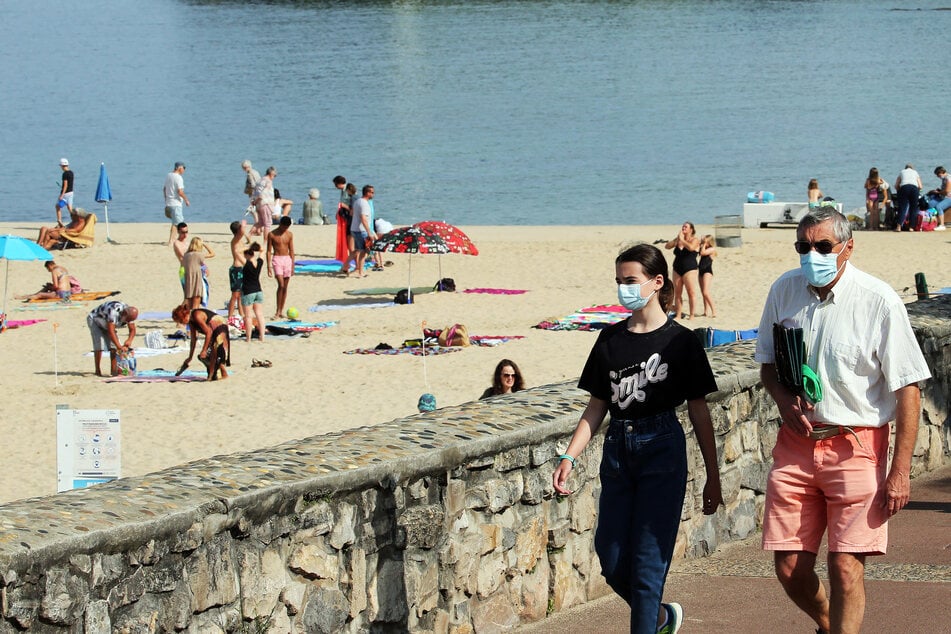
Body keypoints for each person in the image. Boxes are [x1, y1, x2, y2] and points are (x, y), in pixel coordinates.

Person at [754, 208, 931, 634]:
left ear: (848, 247)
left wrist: (899, 472)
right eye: (803, 246)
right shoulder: (784, 290)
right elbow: (766, 364)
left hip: (857, 443)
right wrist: (782, 399)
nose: (811, 254)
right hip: (796, 445)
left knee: (846, 566)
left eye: (821, 246)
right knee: (789, 566)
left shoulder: (878, 300)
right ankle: (831, 625)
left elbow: (908, 387)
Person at [552, 243, 722, 634]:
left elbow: (700, 411)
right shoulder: (610, 340)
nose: (623, 289)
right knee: (611, 558)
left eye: (630, 281)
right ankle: (662, 617)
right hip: (617, 453)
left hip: (662, 449)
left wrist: (712, 476)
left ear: (656, 282)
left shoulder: (682, 342)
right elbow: (597, 407)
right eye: (619, 281)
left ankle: (650, 618)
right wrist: (569, 456)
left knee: (647, 566)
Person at [172, 303, 230, 381]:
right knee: (204, 357)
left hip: (218, 325)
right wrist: (190, 357)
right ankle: (212, 373)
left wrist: (204, 350)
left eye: (181, 321)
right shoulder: (191, 322)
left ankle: (222, 373)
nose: (182, 323)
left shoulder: (196, 315)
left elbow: (208, 332)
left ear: (185, 315)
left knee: (215, 352)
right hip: (212, 329)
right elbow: (193, 340)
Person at [86, 301, 138, 376]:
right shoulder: (113, 311)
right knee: (99, 345)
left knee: (113, 347)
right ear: (125, 314)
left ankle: (113, 370)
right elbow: (111, 331)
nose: (128, 322)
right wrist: (119, 346)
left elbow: (132, 329)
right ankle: (97, 370)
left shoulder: (130, 313)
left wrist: (129, 340)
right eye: (127, 320)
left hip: (106, 322)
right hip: (95, 320)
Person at [664, 221, 700, 320]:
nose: (683, 228)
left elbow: (691, 248)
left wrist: (682, 240)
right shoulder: (678, 240)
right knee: (678, 293)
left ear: (691, 230)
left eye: (686, 227)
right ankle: (678, 314)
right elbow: (667, 246)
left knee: (691, 292)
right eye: (683, 226)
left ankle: (692, 315)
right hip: (677, 268)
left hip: (690, 269)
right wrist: (677, 239)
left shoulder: (695, 240)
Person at [266, 216, 295, 319]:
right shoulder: (272, 234)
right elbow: (269, 250)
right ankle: (277, 311)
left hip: (287, 259)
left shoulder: (289, 234)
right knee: (281, 285)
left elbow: (291, 250)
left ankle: (281, 310)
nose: (285, 229)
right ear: (280, 224)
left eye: (287, 227)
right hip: (277, 259)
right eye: (284, 227)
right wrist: (268, 266)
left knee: (285, 287)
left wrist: (292, 265)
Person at [350, 185, 378, 278]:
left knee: (359, 250)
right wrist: (369, 231)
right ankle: (360, 271)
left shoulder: (358, 201)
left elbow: (353, 213)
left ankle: (357, 269)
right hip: (361, 230)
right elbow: (363, 218)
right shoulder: (364, 204)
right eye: (372, 192)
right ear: (368, 193)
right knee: (364, 251)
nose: (373, 194)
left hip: (354, 229)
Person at [241, 242, 266, 343]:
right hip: (258, 290)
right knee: (259, 314)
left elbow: (237, 251)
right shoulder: (259, 262)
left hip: (248, 291)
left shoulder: (246, 263)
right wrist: (256, 248)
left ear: (247, 254)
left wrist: (248, 247)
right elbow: (263, 251)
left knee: (248, 316)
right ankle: (262, 337)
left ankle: (248, 338)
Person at [182, 236, 215, 309]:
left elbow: (199, 264)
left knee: (188, 299)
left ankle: (186, 315)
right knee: (196, 299)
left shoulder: (186, 255)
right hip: (197, 278)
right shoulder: (199, 254)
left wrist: (204, 267)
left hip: (188, 279)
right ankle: (194, 316)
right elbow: (212, 253)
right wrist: (205, 244)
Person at [227, 220, 250, 325]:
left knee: (241, 294)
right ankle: (230, 316)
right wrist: (243, 224)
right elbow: (241, 232)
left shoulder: (240, 240)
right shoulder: (234, 240)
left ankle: (241, 314)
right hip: (236, 270)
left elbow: (247, 239)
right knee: (235, 295)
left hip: (242, 269)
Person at [164, 162, 190, 245]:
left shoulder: (169, 175)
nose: (184, 171)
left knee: (175, 223)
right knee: (178, 224)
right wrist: (186, 200)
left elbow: (164, 189)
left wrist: (166, 199)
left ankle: (174, 240)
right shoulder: (178, 178)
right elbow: (180, 192)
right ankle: (172, 241)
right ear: (180, 168)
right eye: (184, 168)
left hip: (169, 204)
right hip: (175, 204)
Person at [894, 163, 922, 231]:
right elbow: (920, 186)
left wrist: (899, 191)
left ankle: (899, 227)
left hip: (904, 188)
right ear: (912, 168)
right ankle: (911, 227)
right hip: (914, 189)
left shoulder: (902, 172)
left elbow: (896, 185)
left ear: (905, 168)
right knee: (913, 208)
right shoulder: (915, 172)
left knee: (902, 208)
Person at [251, 166, 277, 237]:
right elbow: (261, 194)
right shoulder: (268, 181)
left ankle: (249, 234)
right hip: (266, 204)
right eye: (274, 175)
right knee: (267, 224)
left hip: (259, 204)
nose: (274, 177)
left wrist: (254, 201)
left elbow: (255, 192)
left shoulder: (260, 180)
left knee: (261, 222)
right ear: (271, 174)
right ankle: (266, 241)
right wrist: (256, 200)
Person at [333, 176, 353, 268]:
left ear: (339, 183)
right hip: (345, 213)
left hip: (348, 215)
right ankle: (349, 252)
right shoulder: (344, 190)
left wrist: (342, 206)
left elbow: (348, 204)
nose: (335, 186)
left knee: (349, 236)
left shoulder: (346, 190)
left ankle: (350, 254)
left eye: (335, 184)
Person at [924, 165, 949, 231]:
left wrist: (937, 192)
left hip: (949, 198)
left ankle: (942, 225)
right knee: (931, 204)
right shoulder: (944, 179)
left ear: (941, 172)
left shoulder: (948, 178)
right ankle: (932, 221)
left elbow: (947, 191)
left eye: (938, 175)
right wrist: (939, 191)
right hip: (943, 196)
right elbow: (944, 190)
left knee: (939, 207)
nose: (938, 176)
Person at [698, 234, 717, 318]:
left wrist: (704, 244)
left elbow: (702, 253)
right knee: (703, 293)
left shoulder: (712, 249)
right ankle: (706, 311)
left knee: (706, 292)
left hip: (707, 271)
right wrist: (701, 242)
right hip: (701, 271)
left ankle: (714, 311)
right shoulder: (703, 247)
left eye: (706, 241)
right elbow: (698, 251)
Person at [55, 158, 74, 226]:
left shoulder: (65, 174)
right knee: (70, 208)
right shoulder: (71, 172)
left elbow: (65, 185)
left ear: (62, 166)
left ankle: (59, 221)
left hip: (65, 194)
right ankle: (75, 220)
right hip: (71, 193)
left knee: (57, 206)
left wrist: (62, 195)